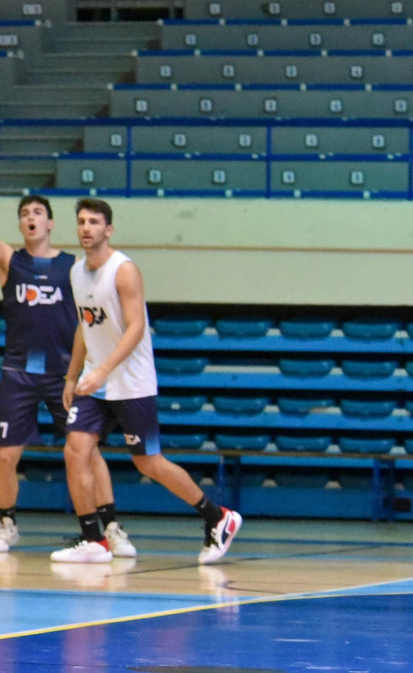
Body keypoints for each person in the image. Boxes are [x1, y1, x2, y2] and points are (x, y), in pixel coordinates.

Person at [0, 161, 134, 558]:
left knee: (88, 452)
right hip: (19, 371)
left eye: (37, 212)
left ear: (51, 224)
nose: (30, 217)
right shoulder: (9, 261)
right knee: (6, 454)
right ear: (21, 227)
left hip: (65, 373)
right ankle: (6, 522)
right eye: (24, 214)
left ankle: (111, 527)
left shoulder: (74, 267)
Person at [55, 198, 243, 565]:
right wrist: (72, 375)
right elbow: (85, 324)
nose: (86, 228)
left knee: (149, 463)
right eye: (81, 221)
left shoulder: (124, 271)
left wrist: (103, 370)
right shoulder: (76, 273)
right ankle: (94, 540)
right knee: (76, 449)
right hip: (96, 383)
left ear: (108, 229)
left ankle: (218, 517)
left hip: (131, 382)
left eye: (94, 222)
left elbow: (137, 328)